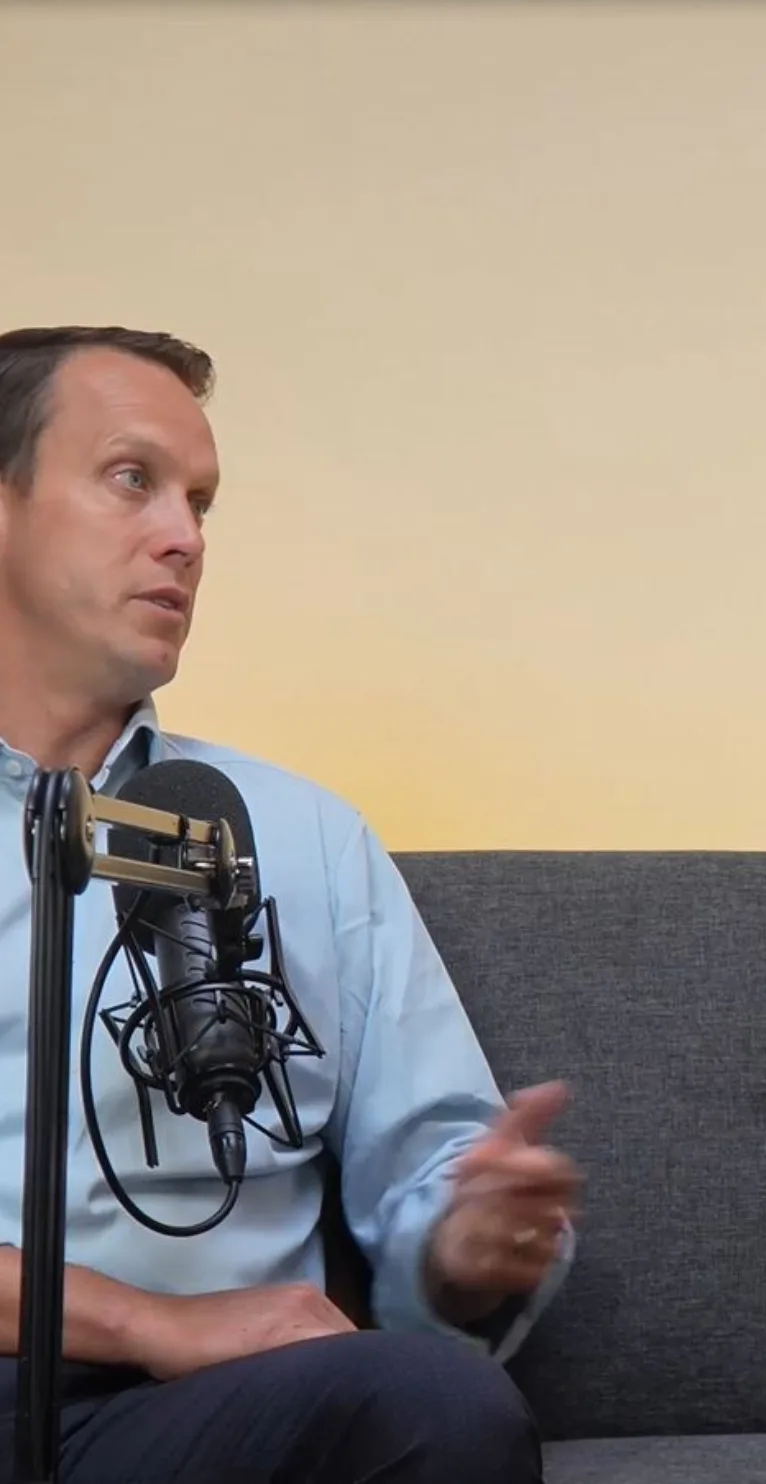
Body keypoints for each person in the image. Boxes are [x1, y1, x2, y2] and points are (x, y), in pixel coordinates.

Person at [0, 326, 583, 1483]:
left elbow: (432, 1170)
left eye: (200, 503)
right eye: (132, 479)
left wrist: (464, 1240)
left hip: (214, 1415)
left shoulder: (308, 836)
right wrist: (154, 1324)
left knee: (441, 1405)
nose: (184, 538)